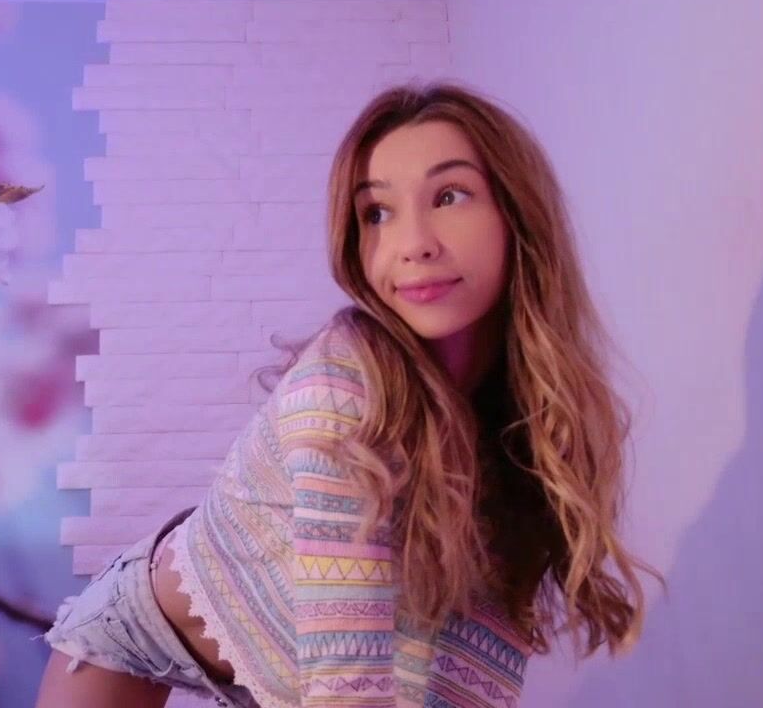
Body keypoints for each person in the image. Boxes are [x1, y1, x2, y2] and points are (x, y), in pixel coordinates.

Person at [35, 81, 661, 708]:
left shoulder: (529, 416)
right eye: (377, 213)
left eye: (449, 196)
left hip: (283, 658)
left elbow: (471, 671)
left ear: (515, 212)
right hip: (133, 638)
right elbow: (347, 687)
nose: (413, 244)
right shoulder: (342, 395)